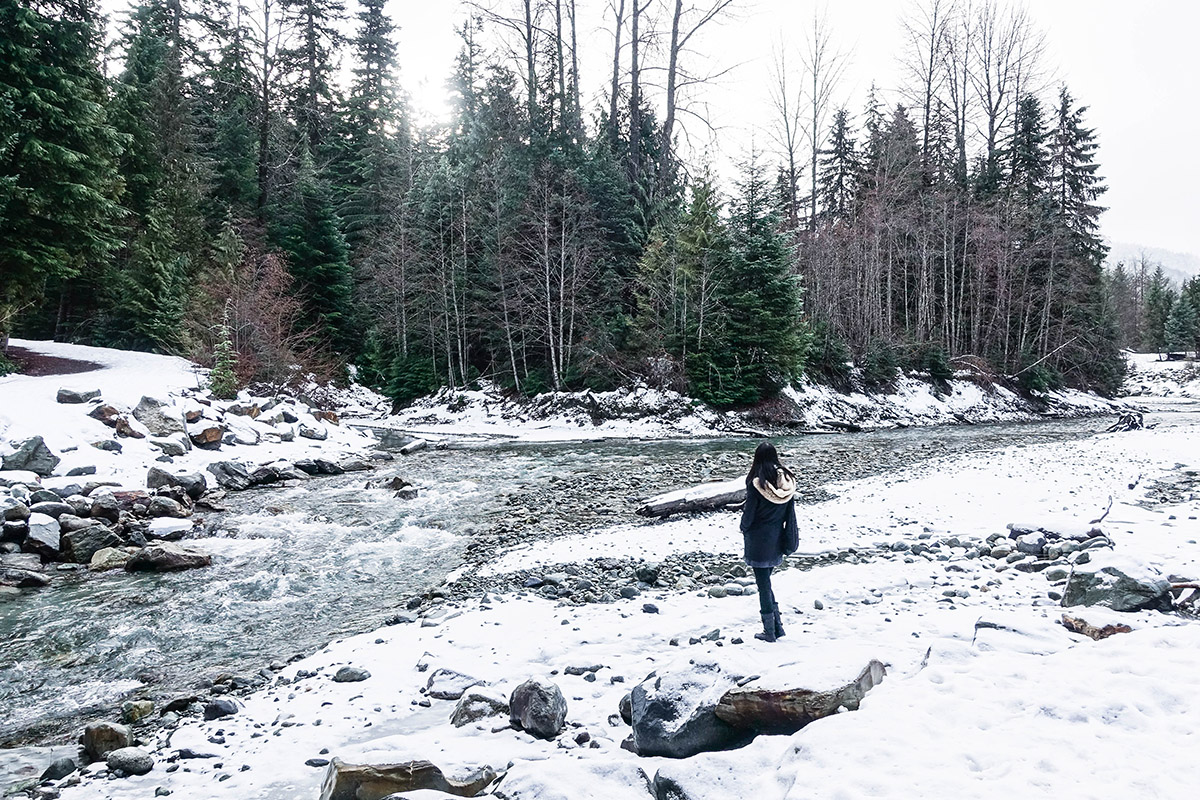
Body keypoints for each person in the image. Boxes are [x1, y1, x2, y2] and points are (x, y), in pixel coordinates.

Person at [739, 441, 799, 642]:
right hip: (777, 539)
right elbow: (789, 513)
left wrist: (743, 527)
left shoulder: (757, 483)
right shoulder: (786, 482)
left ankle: (770, 631)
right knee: (766, 582)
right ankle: (777, 627)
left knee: (763, 585)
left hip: (758, 540)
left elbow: (749, 514)